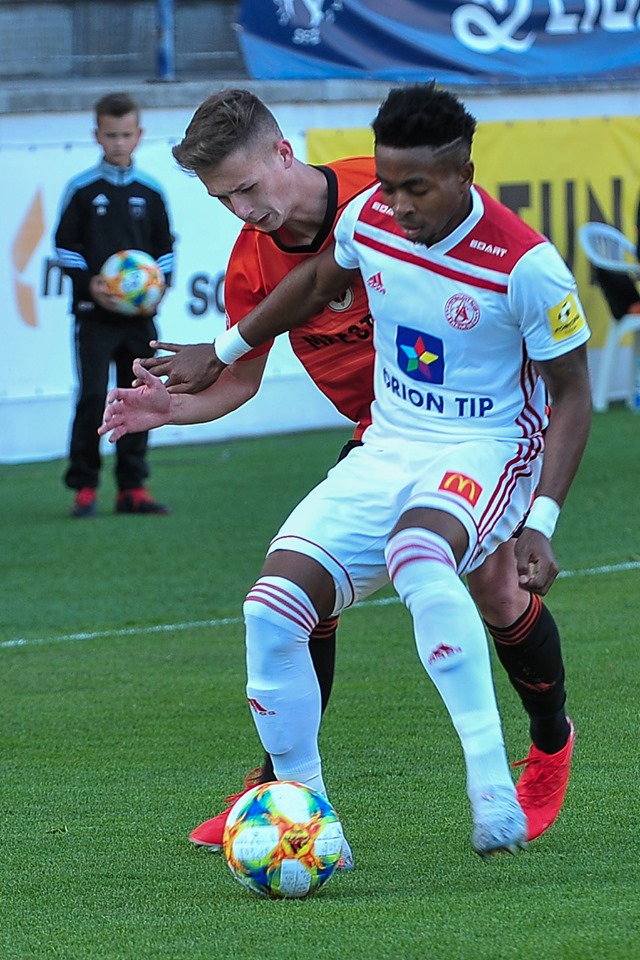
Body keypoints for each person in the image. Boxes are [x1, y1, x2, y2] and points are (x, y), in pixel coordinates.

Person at [100, 86, 590, 856]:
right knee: (280, 604)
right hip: (385, 435)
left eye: (247, 189)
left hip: (484, 439)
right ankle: (293, 801)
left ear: (283, 153)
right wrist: (187, 390)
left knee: (481, 585)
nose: (243, 211)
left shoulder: (474, 236)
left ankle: (530, 759)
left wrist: (540, 514)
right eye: (224, 200)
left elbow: (569, 386)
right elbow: (297, 304)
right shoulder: (345, 226)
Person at [55, 91, 174, 518]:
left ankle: (132, 487)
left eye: (126, 134)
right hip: (94, 317)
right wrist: (91, 285)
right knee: (92, 396)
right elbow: (64, 247)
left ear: (139, 135)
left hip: (140, 318)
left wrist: (159, 288)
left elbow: (165, 250)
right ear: (97, 136)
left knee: (140, 397)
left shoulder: (151, 191)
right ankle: (85, 486)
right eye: (111, 135)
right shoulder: (82, 190)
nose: (119, 142)